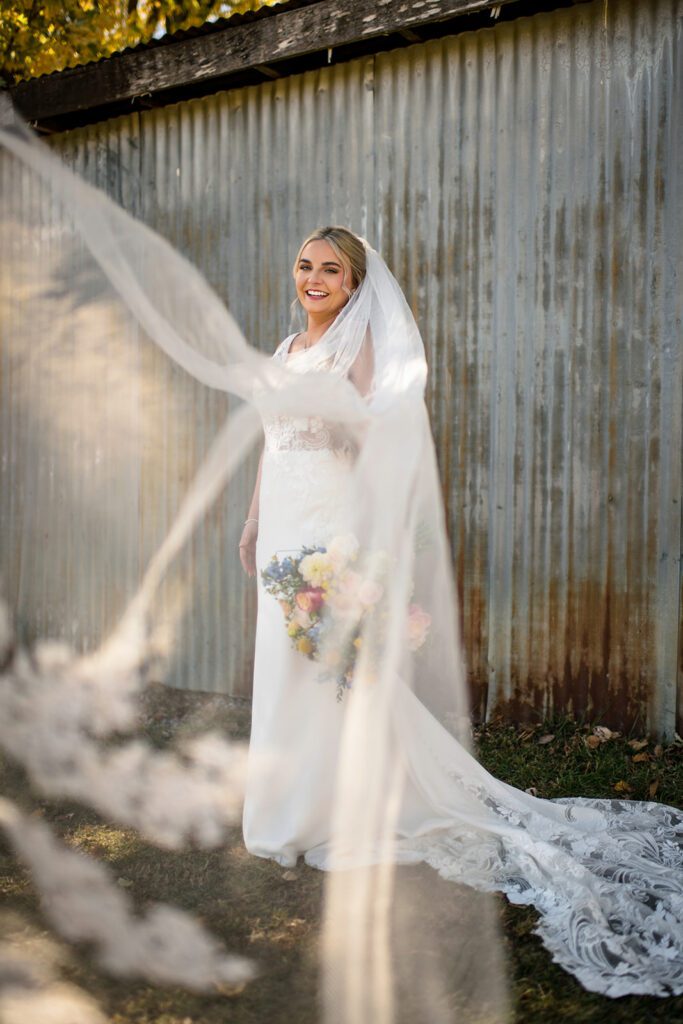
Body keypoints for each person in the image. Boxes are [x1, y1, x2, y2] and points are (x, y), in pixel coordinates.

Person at [237, 225, 683, 999]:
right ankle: (287, 807)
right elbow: (270, 444)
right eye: (305, 266)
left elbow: (382, 441)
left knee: (331, 673)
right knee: (284, 670)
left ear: (352, 284)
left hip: (324, 531)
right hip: (278, 523)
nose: (313, 279)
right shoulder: (282, 351)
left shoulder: (356, 350)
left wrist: (356, 544)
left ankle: (337, 809)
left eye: (330, 270)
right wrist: (250, 522)